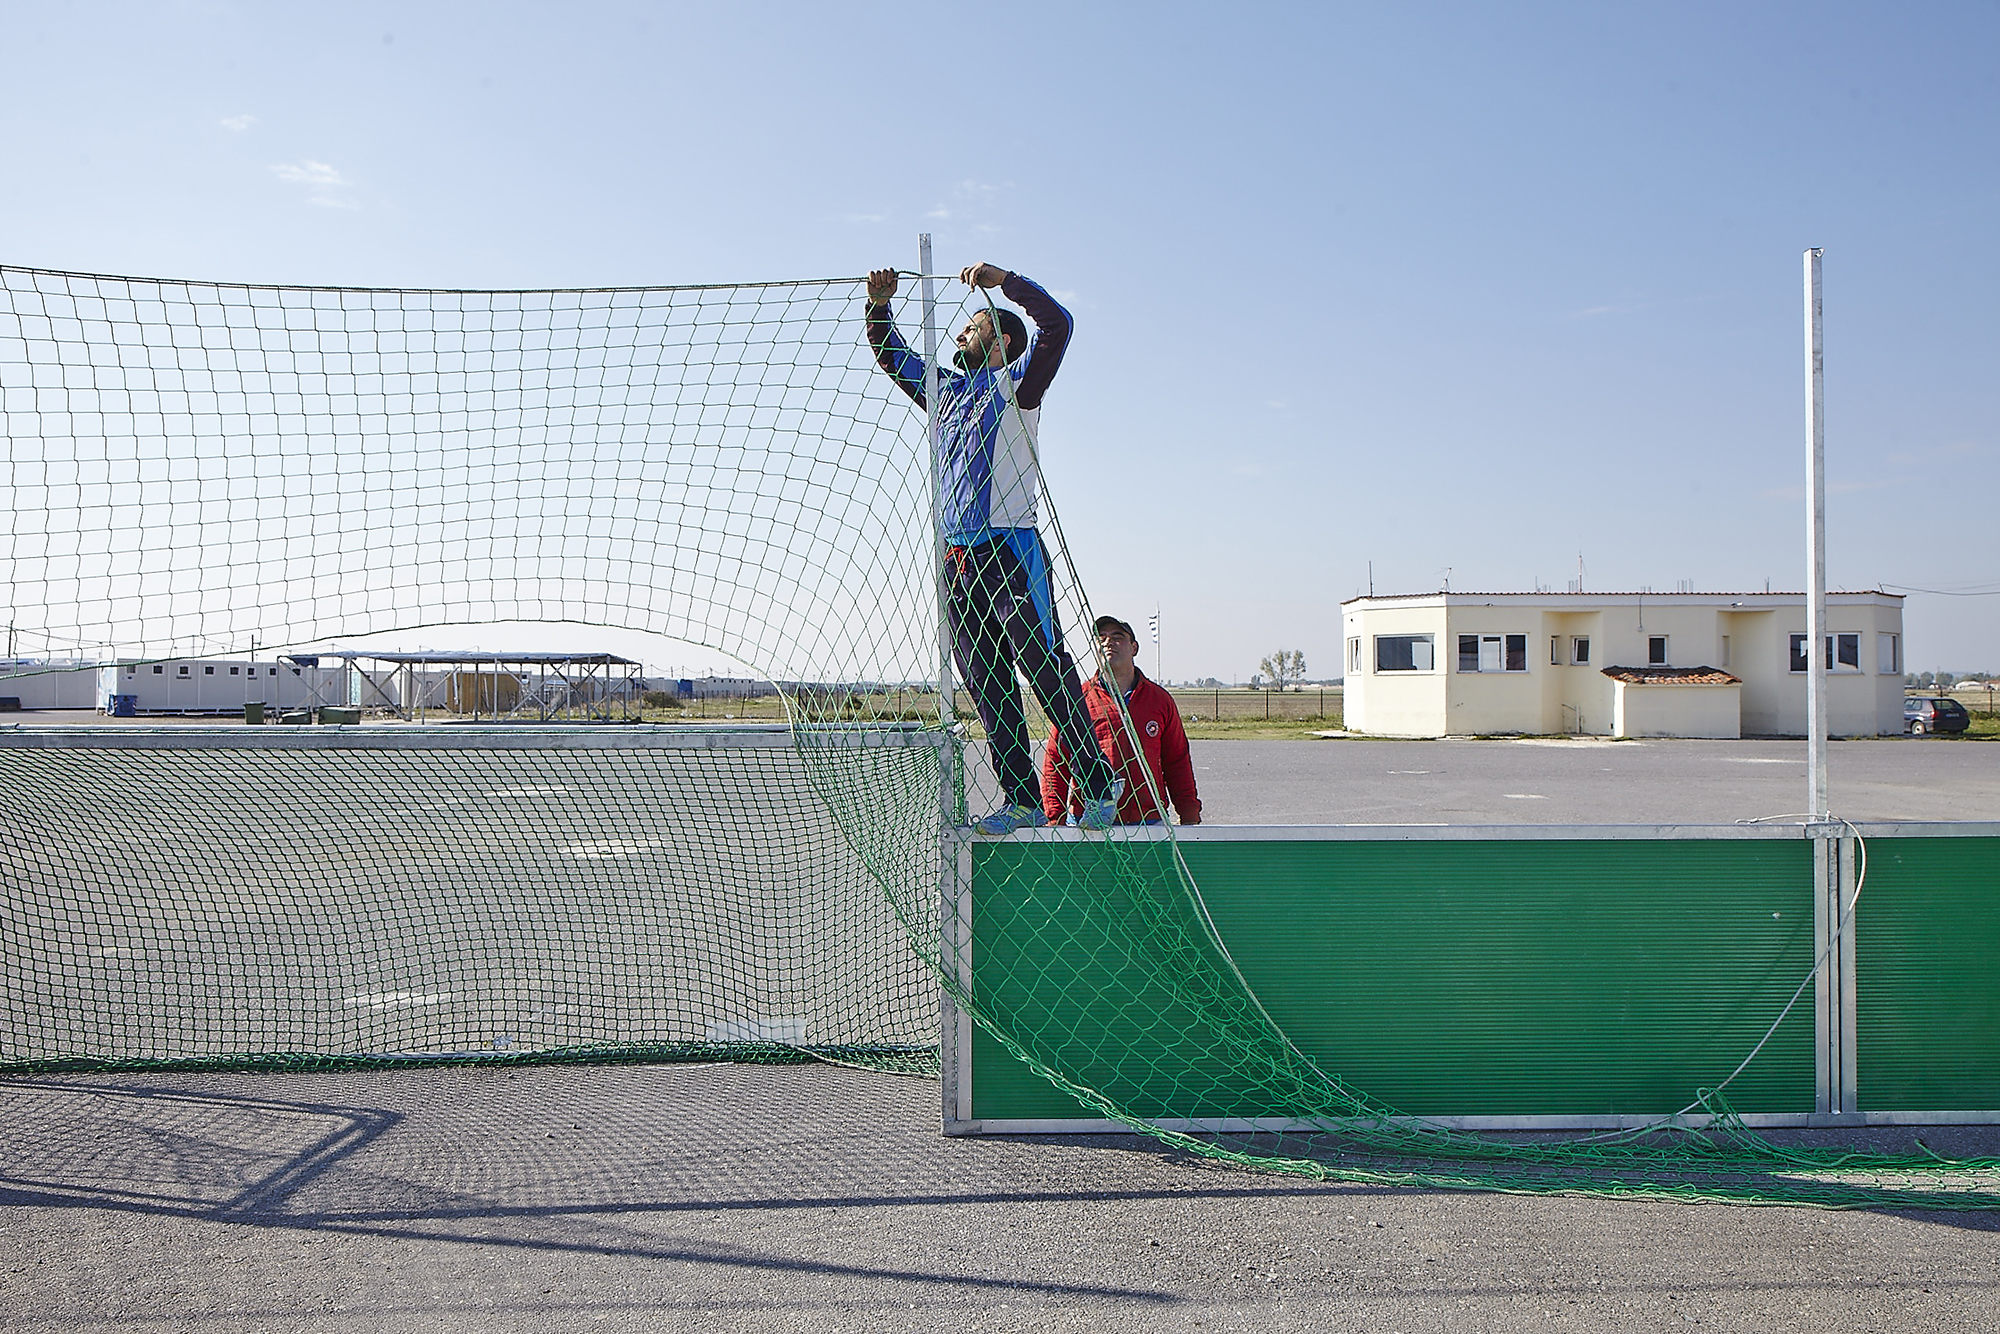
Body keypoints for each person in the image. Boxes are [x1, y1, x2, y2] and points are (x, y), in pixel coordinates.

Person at [865, 261, 1119, 835]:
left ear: (1002, 340)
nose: (959, 334)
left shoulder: (1021, 383)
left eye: (972, 327)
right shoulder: (948, 393)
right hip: (959, 560)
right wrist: (879, 304)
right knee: (985, 679)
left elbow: (1059, 324)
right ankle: (1022, 797)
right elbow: (890, 355)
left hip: (1011, 551)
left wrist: (1005, 282)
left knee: (1041, 667)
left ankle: (1099, 782)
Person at [1043, 615, 1202, 827]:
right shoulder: (1077, 699)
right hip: (1088, 821)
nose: (1109, 642)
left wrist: (1189, 814)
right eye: (1102, 638)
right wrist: (1055, 819)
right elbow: (1056, 762)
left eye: (1118, 637)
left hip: (1148, 820)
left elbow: (1177, 761)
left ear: (1134, 648)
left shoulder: (1159, 700)